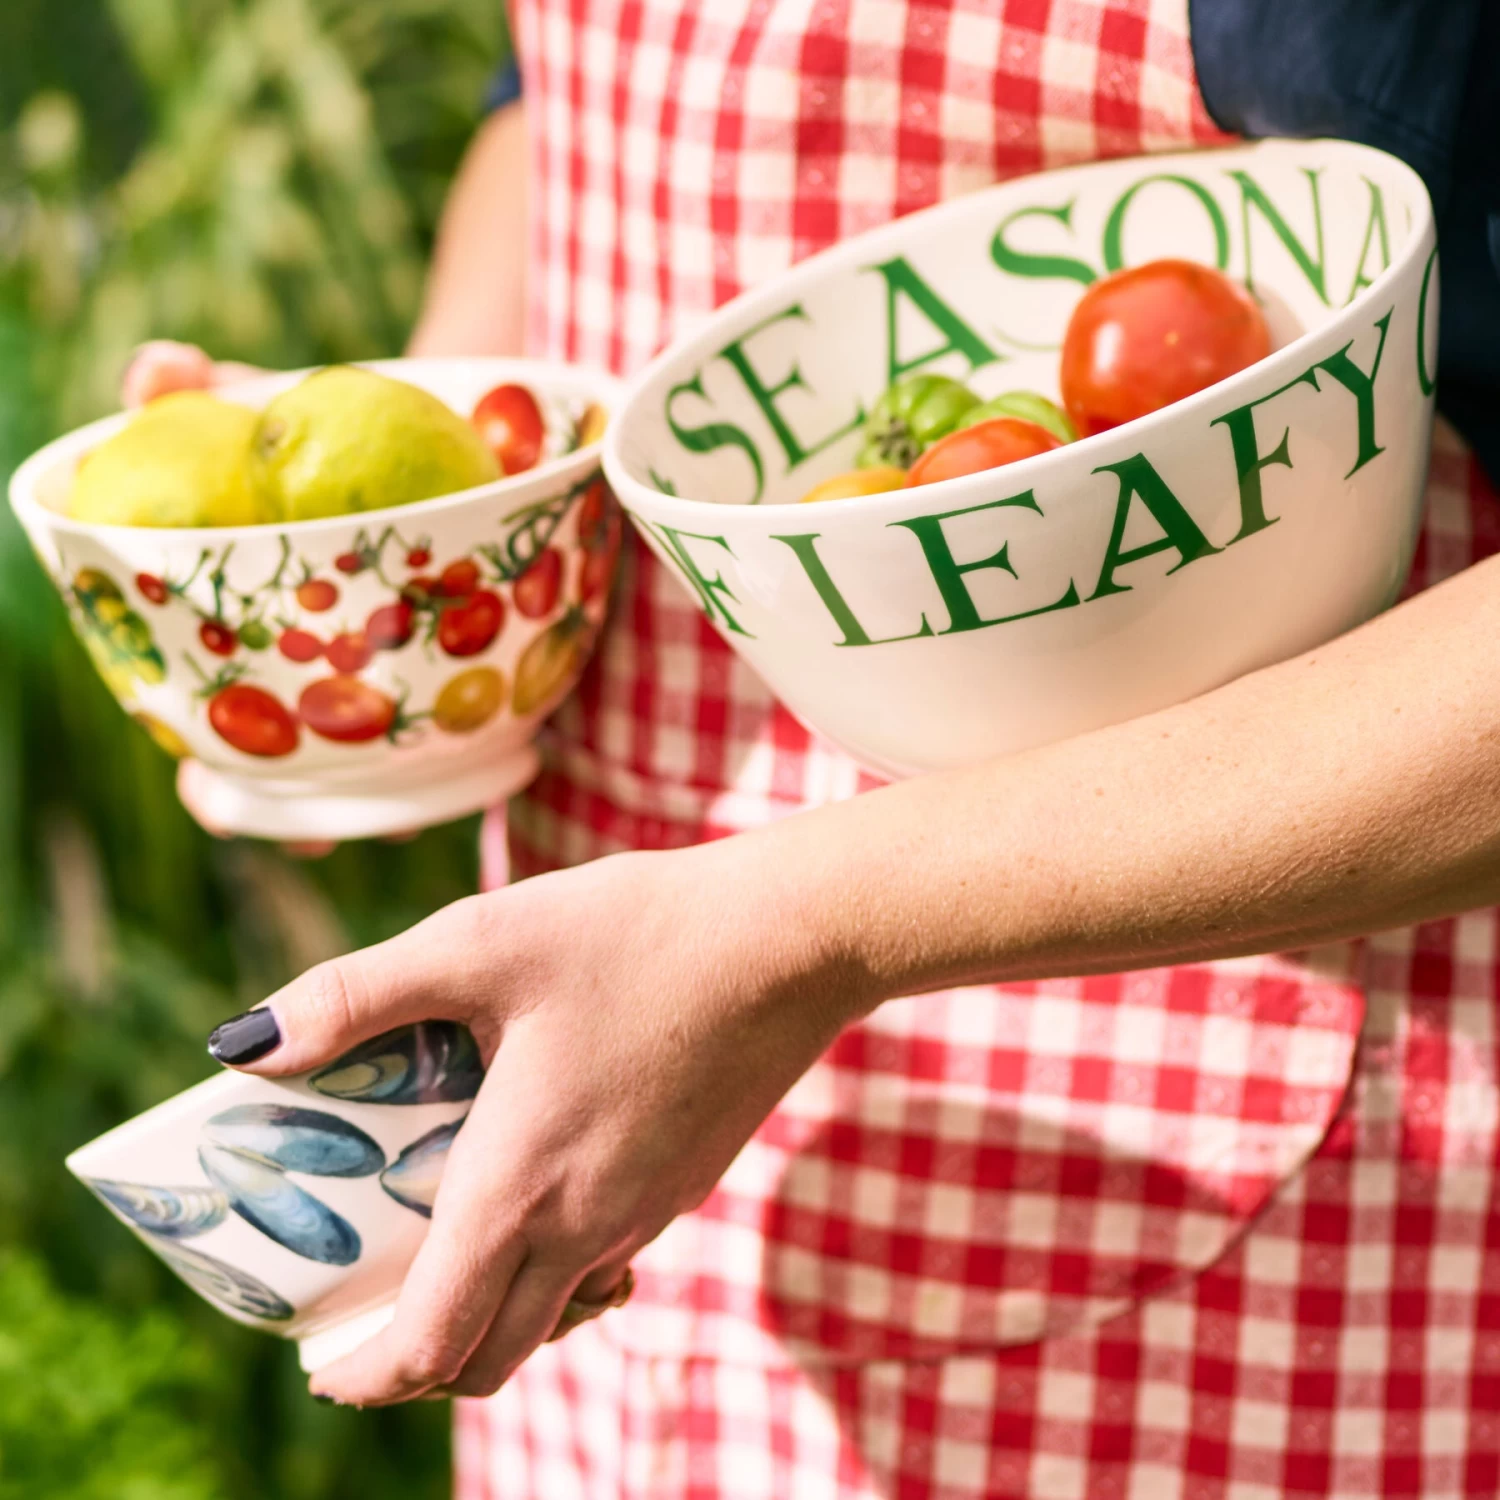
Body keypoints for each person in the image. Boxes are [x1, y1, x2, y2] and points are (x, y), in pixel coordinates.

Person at [128, 0, 1500, 1493]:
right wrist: (408, 536)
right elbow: (562, 93)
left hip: (1209, 1206)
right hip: (617, 1103)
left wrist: (797, 929)